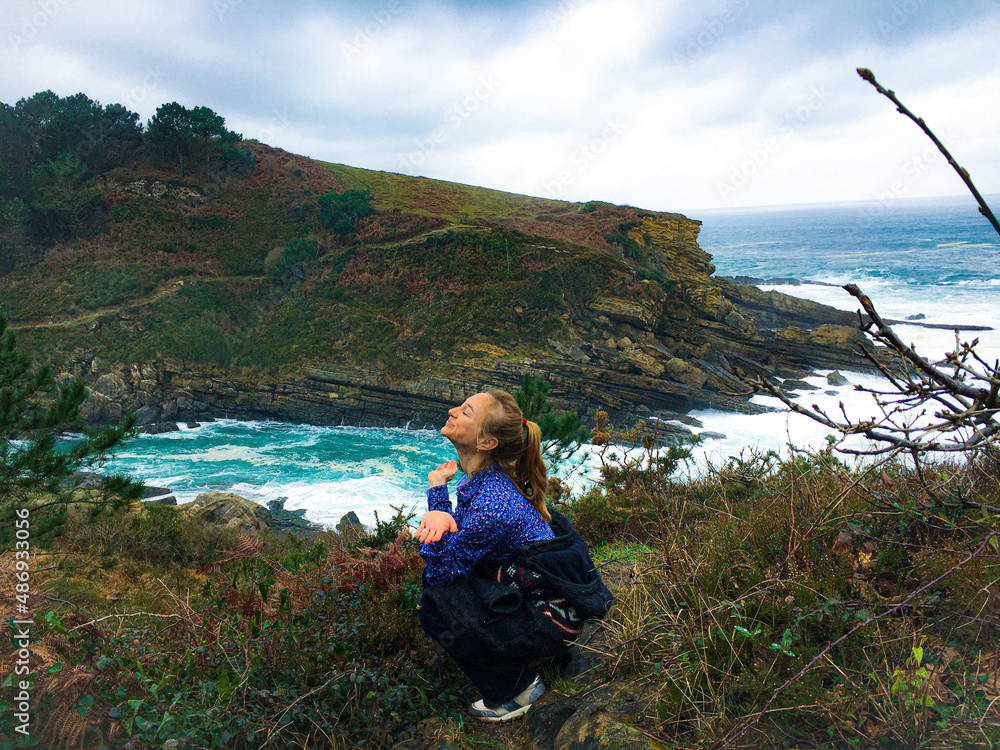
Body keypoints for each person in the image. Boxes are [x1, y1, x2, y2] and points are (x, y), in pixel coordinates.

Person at [415, 389, 612, 722]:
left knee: (435, 605)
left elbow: (442, 573)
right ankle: (521, 661)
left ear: (486, 443)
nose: (452, 411)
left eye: (465, 412)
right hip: (539, 600)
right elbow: (458, 551)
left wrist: (437, 506)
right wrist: (440, 493)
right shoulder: (484, 482)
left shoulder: (491, 502)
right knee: (443, 589)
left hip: (551, 621)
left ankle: (516, 688)